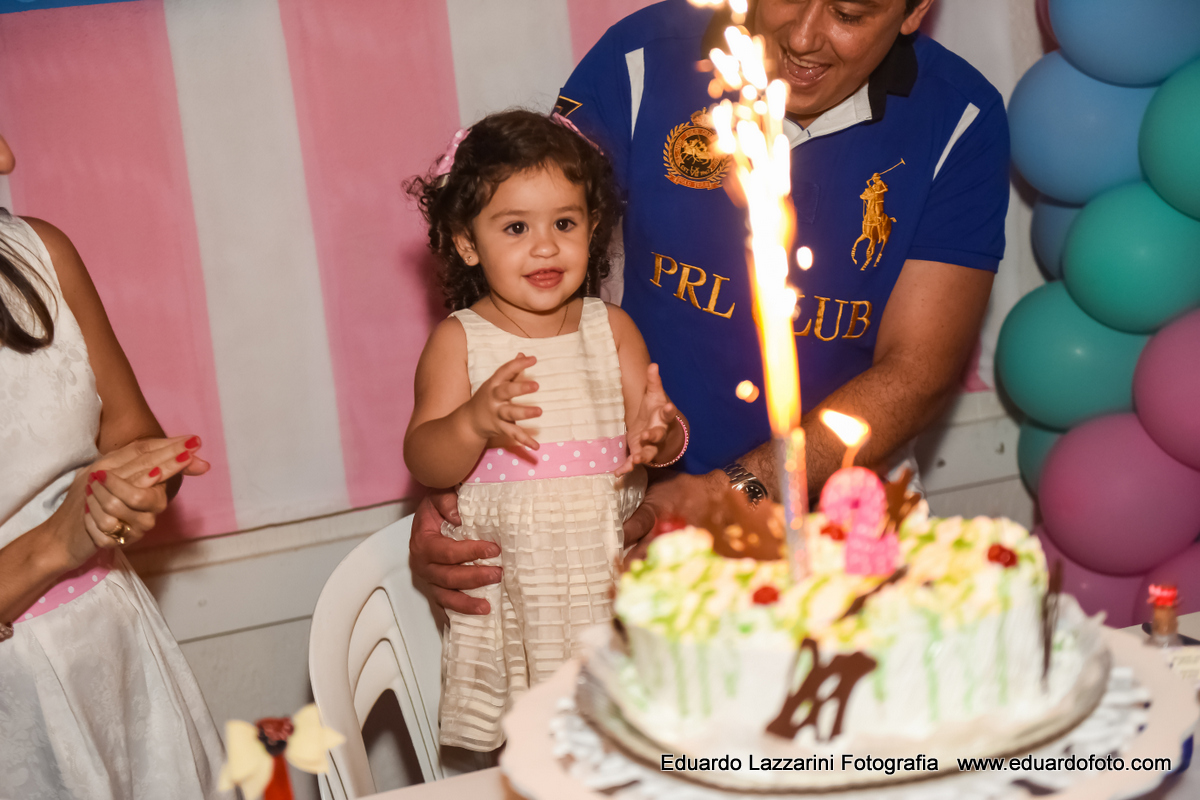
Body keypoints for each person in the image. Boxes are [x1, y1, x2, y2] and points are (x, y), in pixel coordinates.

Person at [412, 0, 1009, 617]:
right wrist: (467, 475)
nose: (803, 37)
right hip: (620, 507)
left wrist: (738, 491)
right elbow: (516, 259)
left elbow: (917, 369)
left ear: (915, 12)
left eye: (848, 14)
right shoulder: (642, 56)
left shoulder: (960, 119)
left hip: (844, 517)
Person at [404, 109, 686, 750]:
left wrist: (659, 433)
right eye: (515, 227)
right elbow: (426, 459)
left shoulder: (610, 328)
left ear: (594, 227)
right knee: (537, 756)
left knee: (636, 750)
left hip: (606, 581)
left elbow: (661, 433)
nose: (545, 245)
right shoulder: (461, 341)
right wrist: (473, 421)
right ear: (468, 242)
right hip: (518, 599)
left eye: (565, 222)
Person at [0, 133, 225, 798]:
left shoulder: (40, 253)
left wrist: (137, 485)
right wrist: (54, 543)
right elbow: (63, 532)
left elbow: (130, 431)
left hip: (118, 645)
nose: (8, 156)